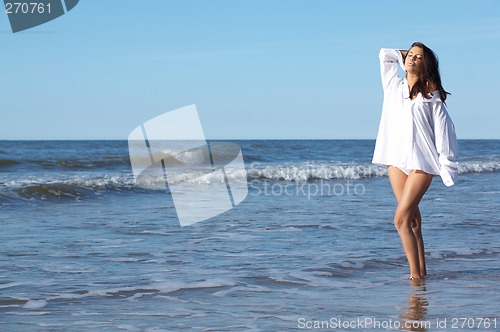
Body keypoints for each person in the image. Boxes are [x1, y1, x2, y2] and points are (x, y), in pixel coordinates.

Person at [372, 42, 459, 280]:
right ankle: (423, 273)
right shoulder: (392, 86)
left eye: (418, 57)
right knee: (413, 221)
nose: (411, 58)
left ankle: (414, 277)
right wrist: (405, 55)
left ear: (425, 65)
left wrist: (447, 164)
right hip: (396, 160)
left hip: (422, 162)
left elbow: (444, 131)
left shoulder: (432, 96)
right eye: (410, 55)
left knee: (400, 219)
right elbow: (384, 55)